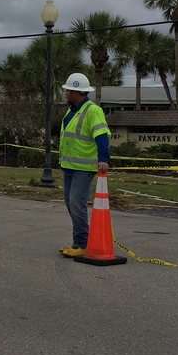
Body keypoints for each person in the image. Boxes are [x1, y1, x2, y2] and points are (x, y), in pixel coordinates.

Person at [57, 73, 111, 257]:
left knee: (76, 203)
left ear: (75, 92)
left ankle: (81, 243)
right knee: (70, 203)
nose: (65, 94)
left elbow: (101, 136)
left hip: (83, 168)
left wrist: (103, 159)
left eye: (67, 91)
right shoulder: (71, 110)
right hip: (69, 166)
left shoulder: (92, 110)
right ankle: (79, 241)